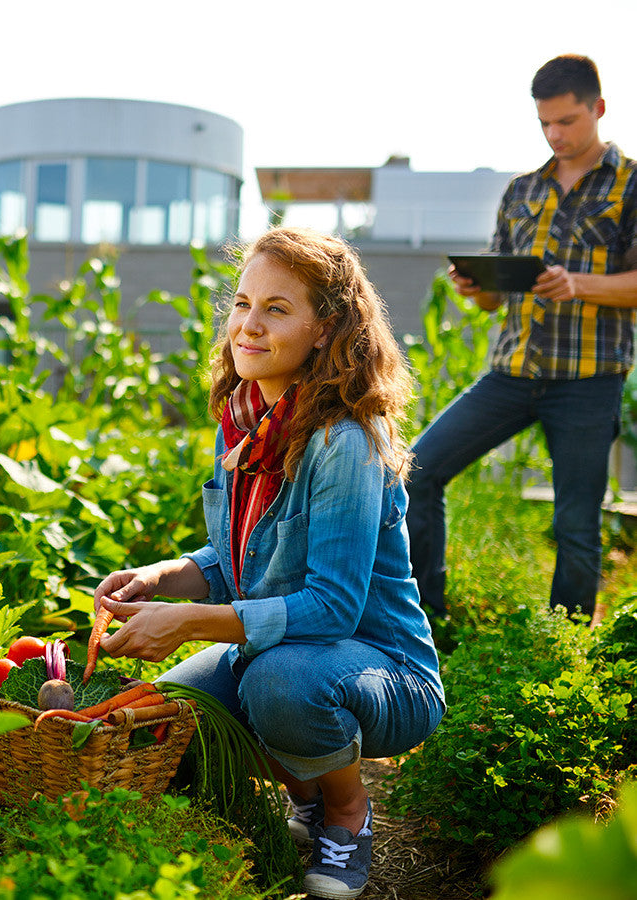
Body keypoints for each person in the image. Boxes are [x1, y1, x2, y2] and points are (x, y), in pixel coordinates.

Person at [93, 227, 445, 900]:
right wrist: (163, 579)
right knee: (173, 716)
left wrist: (189, 623)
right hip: (288, 652)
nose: (248, 326)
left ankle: (344, 812)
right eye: (243, 304)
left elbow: (332, 608)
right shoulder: (248, 421)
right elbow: (236, 560)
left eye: (276, 309)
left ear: (325, 328)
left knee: (278, 683)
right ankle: (305, 785)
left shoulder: (343, 441)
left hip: (383, 669)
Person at [407, 54, 637, 623]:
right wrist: (476, 287)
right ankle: (423, 621)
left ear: (598, 109)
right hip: (511, 374)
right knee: (415, 470)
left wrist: (577, 284)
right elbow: (495, 298)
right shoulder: (521, 190)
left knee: (576, 526)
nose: (555, 135)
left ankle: (567, 646)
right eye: (545, 124)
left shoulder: (631, 185)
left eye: (567, 121)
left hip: (588, 381)